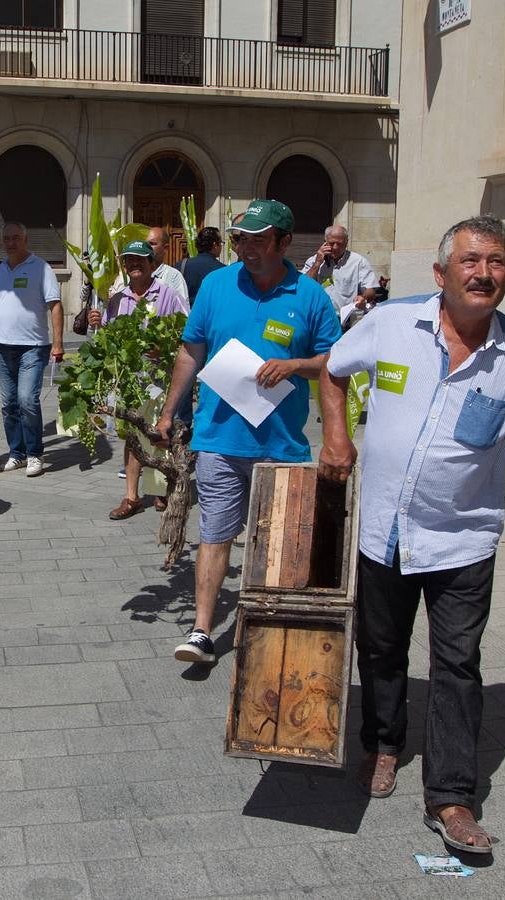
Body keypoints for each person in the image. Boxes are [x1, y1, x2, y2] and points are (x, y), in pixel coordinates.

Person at [317, 215, 505, 854]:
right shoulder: (391, 323)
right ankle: (384, 745)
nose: (483, 273)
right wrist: (336, 435)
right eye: (470, 261)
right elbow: (333, 370)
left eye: (495, 262)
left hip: (463, 540)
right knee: (381, 652)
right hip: (384, 530)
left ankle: (450, 796)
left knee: (457, 665)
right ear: (441, 273)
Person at [153, 200, 342, 663]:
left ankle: (267, 626)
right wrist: (167, 411)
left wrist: (297, 364)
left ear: (283, 242)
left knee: (276, 539)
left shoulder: (310, 296)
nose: (247, 249)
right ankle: (201, 630)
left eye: (259, 240)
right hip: (218, 438)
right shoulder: (216, 285)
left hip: (281, 445)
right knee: (215, 533)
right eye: (241, 240)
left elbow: (336, 362)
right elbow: (190, 351)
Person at [87, 240, 188, 521]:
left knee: (158, 434)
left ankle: (160, 490)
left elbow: (187, 335)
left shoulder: (168, 295)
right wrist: (96, 323)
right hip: (128, 379)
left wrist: (164, 348)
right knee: (132, 436)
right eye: (129, 260)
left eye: (139, 260)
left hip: (160, 377)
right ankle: (131, 497)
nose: (134, 265)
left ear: (152, 264)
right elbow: (107, 339)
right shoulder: (117, 299)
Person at [0, 222, 63, 477]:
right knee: (9, 404)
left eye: (16, 238)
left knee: (27, 400)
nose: (10, 242)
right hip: (4, 347)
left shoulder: (41, 268)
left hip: (34, 347)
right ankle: (17, 453)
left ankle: (35, 453)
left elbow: (56, 306)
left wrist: (58, 344)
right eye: (6, 238)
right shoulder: (2, 270)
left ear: (26, 240)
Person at [302, 225, 380, 319]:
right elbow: (303, 286)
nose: (335, 247)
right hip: (320, 318)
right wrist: (317, 263)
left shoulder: (358, 262)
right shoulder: (314, 261)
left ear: (346, 243)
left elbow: (370, 289)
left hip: (347, 319)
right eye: (331, 243)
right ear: (325, 242)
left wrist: (363, 297)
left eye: (339, 244)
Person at [178, 226, 226, 304]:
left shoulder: (181, 265)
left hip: (185, 314)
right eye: (221, 243)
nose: (221, 246)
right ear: (215, 245)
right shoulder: (224, 270)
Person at [146, 226, 191, 300]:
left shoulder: (174, 277)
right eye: (146, 244)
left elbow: (181, 308)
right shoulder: (134, 274)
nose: (147, 247)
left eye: (152, 243)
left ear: (165, 248)